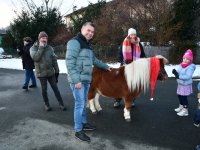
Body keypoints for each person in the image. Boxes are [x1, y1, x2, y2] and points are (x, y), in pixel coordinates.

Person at [66, 22, 111, 142]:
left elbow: (94, 60)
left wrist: (106, 66)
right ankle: (78, 130)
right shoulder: (74, 42)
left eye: (92, 32)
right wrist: (76, 80)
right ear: (82, 29)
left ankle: (84, 123)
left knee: (83, 102)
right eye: (88, 30)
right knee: (80, 104)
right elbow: (70, 62)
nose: (90, 33)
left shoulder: (88, 45)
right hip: (78, 81)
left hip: (86, 79)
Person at [30, 31, 66, 111]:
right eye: (43, 38)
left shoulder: (50, 48)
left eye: (46, 38)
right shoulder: (33, 48)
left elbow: (54, 60)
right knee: (44, 90)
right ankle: (46, 104)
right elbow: (35, 58)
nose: (44, 39)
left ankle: (61, 104)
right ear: (39, 39)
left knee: (56, 88)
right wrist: (41, 48)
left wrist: (57, 71)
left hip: (50, 73)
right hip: (41, 73)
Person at [114, 28, 146, 108]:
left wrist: (143, 60)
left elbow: (142, 55)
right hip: (125, 66)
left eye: (134, 34)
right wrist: (120, 60)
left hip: (135, 67)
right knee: (121, 84)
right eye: (131, 34)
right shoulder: (124, 43)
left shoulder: (139, 44)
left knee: (133, 85)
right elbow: (119, 53)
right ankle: (117, 100)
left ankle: (131, 101)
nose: (133, 36)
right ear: (129, 35)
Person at [172, 49, 196, 116]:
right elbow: (178, 72)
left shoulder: (190, 67)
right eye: (184, 58)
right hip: (180, 83)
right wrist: (175, 72)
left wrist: (178, 76)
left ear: (190, 60)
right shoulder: (181, 64)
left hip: (185, 84)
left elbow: (188, 76)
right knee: (179, 95)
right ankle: (181, 106)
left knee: (183, 97)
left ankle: (185, 110)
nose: (185, 60)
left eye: (187, 59)